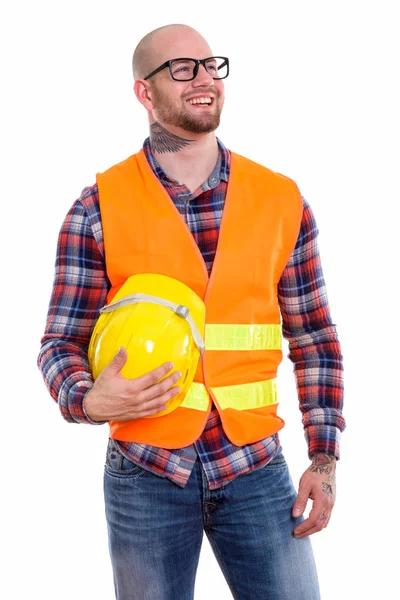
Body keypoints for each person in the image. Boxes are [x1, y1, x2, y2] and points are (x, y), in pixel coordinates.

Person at [38, 23, 346, 600]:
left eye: (210, 65)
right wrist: (86, 399)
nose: (203, 78)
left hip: (255, 467)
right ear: (144, 93)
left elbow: (315, 339)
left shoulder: (280, 200)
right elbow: (59, 343)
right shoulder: (97, 208)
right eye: (181, 68)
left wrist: (324, 459)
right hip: (145, 473)